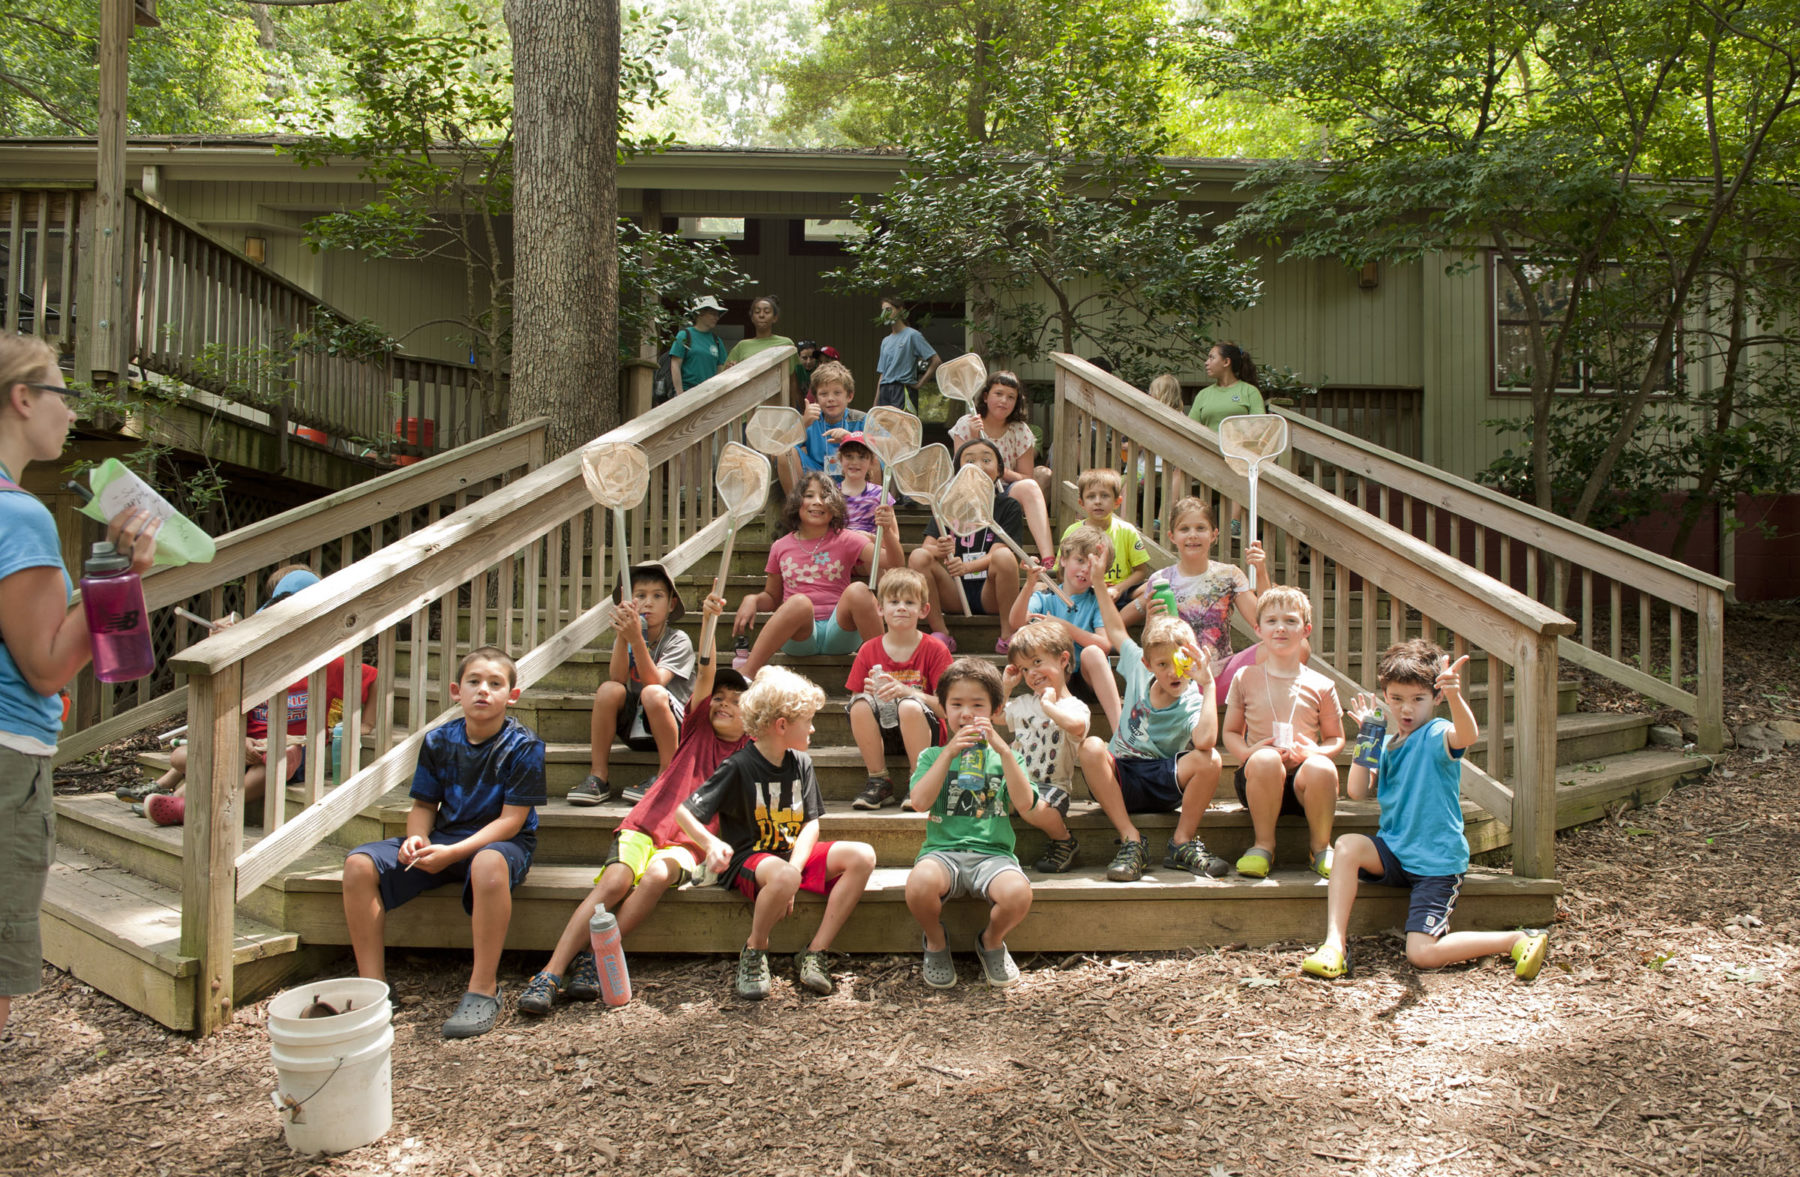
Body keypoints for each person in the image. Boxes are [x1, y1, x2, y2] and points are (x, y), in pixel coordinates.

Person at [0, 335, 158, 1035]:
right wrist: (120, 571)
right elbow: (44, 665)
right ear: (22, 397)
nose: (70, 413)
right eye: (61, 394)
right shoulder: (20, 515)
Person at [517, 595, 748, 1016]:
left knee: (658, 874)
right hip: (646, 821)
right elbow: (706, 670)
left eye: (737, 700)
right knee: (614, 882)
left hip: (693, 841)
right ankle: (551, 970)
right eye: (719, 697)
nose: (724, 703)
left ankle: (597, 955)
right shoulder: (696, 727)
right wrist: (711, 622)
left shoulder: (750, 752)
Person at [1301, 640, 1550, 982]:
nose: (1406, 709)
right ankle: (1334, 943)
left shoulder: (1436, 733)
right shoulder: (1387, 745)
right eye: (1397, 699)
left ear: (1435, 698)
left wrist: (1455, 696)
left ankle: (1517, 940)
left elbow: (1467, 734)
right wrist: (1369, 736)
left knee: (1422, 954)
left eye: (1418, 699)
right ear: (1385, 696)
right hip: (1396, 852)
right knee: (1346, 845)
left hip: (1436, 865)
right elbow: (1357, 791)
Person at [342, 646, 547, 1038]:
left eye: (494, 683)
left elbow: (511, 821)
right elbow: (423, 805)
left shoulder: (524, 746)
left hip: (503, 846)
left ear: (512, 695)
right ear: (457, 690)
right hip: (444, 839)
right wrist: (418, 838)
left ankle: (484, 987)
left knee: (487, 864)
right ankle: (374, 989)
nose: (482, 691)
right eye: (473, 682)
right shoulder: (438, 741)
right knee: (358, 864)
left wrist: (454, 852)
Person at [677, 666, 877, 1000]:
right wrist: (710, 843)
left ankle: (814, 952)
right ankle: (755, 949)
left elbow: (811, 823)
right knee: (784, 877)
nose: (813, 728)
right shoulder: (738, 766)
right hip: (751, 859)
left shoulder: (801, 762)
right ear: (782, 725)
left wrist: (794, 874)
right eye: (808, 720)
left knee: (863, 856)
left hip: (790, 860)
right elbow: (684, 812)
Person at [133, 567, 381, 826]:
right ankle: (176, 801)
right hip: (249, 745)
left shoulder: (327, 666)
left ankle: (201, 810)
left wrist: (367, 724)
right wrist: (241, 742)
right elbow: (229, 711)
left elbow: (372, 677)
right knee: (180, 756)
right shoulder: (253, 668)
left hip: (293, 750)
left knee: (281, 758)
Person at [1076, 552, 1225, 883]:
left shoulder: (1190, 696)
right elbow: (1115, 629)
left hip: (1163, 780)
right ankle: (1131, 840)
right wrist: (1099, 582)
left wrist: (1208, 685)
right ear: (1147, 665)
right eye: (1162, 665)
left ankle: (1182, 842)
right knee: (1090, 747)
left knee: (1210, 758)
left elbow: (1204, 742)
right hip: (1123, 775)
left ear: (1194, 659)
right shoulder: (1136, 667)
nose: (1173, 672)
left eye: (1181, 662)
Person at [904, 658, 1034, 989]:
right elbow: (919, 802)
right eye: (957, 704)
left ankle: (991, 941)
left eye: (977, 705)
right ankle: (935, 941)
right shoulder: (932, 757)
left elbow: (1025, 803)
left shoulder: (1008, 757)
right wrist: (947, 754)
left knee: (1019, 893)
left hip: (993, 855)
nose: (966, 713)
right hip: (942, 852)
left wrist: (1004, 752)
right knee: (919, 885)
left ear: (995, 709)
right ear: (943, 710)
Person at [1220, 586, 1344, 879]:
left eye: (1290, 621)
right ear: (1258, 628)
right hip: (1258, 780)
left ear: (1306, 629)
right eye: (1272, 621)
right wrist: (1248, 754)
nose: (1280, 628)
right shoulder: (1245, 677)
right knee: (1264, 760)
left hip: (1306, 786)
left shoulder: (1321, 685)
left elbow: (1336, 739)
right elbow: (1231, 732)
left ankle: (1321, 847)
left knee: (1322, 767)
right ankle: (1263, 845)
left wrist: (1313, 752)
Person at [732, 471, 900, 677]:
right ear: (797, 502)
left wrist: (888, 531)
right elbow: (772, 598)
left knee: (859, 590)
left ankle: (884, 674)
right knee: (798, 602)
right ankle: (747, 675)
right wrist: (753, 600)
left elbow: (894, 563)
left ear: (835, 506)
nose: (818, 502)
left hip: (840, 632)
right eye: (810, 495)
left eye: (825, 496)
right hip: (799, 636)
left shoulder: (847, 538)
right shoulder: (780, 546)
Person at [1121, 496, 1281, 697]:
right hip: (1178, 675)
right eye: (1184, 529)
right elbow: (1150, 646)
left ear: (1214, 534)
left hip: (1221, 673)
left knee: (1291, 645)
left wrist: (1260, 572)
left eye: (1201, 528)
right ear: (1172, 536)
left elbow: (1265, 624)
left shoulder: (1229, 575)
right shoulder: (1160, 580)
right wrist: (1152, 621)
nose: (1193, 535)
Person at [569, 563, 695, 806]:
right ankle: (599, 777)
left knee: (653, 693)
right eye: (640, 596)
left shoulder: (679, 640)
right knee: (608, 689)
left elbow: (655, 682)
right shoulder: (629, 634)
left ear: (671, 604)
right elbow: (617, 678)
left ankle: (666, 776)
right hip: (636, 728)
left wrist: (636, 638)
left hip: (673, 727)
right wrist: (622, 635)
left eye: (657, 596)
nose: (648, 603)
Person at [844, 569, 950, 811]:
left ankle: (919, 779)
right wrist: (869, 695)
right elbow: (853, 705)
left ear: (924, 610)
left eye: (909, 602)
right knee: (859, 703)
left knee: (909, 705)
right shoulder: (868, 650)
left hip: (925, 731)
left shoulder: (935, 650)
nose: (901, 607)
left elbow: (947, 709)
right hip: (884, 735)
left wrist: (908, 692)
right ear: (880, 608)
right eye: (894, 601)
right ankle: (879, 780)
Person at [909, 439, 1025, 656]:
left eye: (986, 459)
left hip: (990, 593)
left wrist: (967, 567)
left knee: (1005, 556)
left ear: (999, 470)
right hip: (954, 592)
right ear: (957, 472)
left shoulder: (1008, 506)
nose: (977, 465)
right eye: (969, 460)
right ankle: (941, 634)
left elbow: (998, 554)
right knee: (917, 556)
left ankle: (1008, 636)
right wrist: (941, 550)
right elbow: (927, 549)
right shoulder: (946, 505)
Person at [1006, 525, 1123, 732]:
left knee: (1093, 652)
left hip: (1087, 679)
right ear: (1063, 559)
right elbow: (1016, 622)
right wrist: (1029, 585)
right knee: (1027, 638)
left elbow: (1105, 645)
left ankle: (1120, 730)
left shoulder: (1098, 601)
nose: (1085, 568)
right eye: (1080, 560)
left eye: (1093, 564)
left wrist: (1064, 627)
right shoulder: (1045, 597)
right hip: (1055, 677)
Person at [999, 620, 1091, 873]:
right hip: (1016, 782)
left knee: (1033, 807)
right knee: (986, 801)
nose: (1031, 673)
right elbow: (996, 716)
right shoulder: (1023, 702)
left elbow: (1077, 727)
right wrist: (1007, 687)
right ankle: (991, 848)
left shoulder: (1074, 706)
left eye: (1037, 662)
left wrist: (1049, 706)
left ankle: (1064, 840)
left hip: (1052, 789)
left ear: (1063, 659)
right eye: (1024, 669)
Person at [947, 370, 1056, 560]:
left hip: (1005, 494)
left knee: (1030, 486)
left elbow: (1026, 477)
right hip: (971, 493)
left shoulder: (1020, 431)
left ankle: (1048, 559)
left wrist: (999, 471)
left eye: (1011, 397)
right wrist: (974, 438)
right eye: (998, 394)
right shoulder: (966, 424)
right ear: (986, 396)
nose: (1004, 401)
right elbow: (960, 470)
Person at [1063, 467, 1151, 604]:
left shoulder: (1127, 530)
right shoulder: (1072, 532)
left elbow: (1141, 572)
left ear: (1117, 502)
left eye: (1104, 495)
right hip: (1083, 591)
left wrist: (1118, 589)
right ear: (1081, 503)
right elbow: (1061, 571)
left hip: (1119, 592)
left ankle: (1118, 623)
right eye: (1091, 496)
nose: (1098, 501)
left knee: (1153, 587)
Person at [781, 360, 865, 495]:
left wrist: (850, 439)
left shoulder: (860, 419)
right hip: (817, 477)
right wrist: (802, 424)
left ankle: (870, 510)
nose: (830, 399)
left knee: (875, 457)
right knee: (785, 452)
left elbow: (887, 447)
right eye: (824, 394)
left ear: (849, 396)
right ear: (816, 398)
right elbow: (776, 451)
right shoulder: (810, 419)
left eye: (837, 393)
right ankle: (797, 510)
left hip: (854, 475)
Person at [875, 296, 939, 414]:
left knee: (902, 427)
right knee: (884, 428)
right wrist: (875, 404)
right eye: (883, 310)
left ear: (900, 310)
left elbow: (936, 360)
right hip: (885, 390)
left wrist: (920, 384)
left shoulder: (912, 335)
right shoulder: (885, 341)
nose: (885, 313)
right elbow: (883, 374)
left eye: (889, 309)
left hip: (902, 389)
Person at [1186, 341, 1265, 433]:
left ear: (1226, 362)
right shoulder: (1203, 394)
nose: (1206, 363)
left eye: (1212, 358)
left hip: (1240, 446)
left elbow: (1260, 427)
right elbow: (1190, 428)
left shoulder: (1250, 391)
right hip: (1207, 446)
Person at [668, 296, 732, 398]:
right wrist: (679, 395)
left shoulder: (717, 341)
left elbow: (720, 369)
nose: (716, 317)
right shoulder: (684, 335)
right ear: (700, 314)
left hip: (709, 394)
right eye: (712, 314)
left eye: (718, 314)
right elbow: (675, 365)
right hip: (687, 391)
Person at [834, 432, 889, 536]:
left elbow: (894, 537)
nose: (855, 462)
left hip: (869, 548)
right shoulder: (831, 494)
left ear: (872, 461)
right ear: (840, 459)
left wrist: (869, 537)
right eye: (849, 456)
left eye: (862, 457)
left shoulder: (880, 494)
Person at [726, 294, 796, 366]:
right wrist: (730, 368)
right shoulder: (742, 346)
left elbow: (792, 375)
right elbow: (725, 374)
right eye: (757, 312)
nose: (761, 315)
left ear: (775, 318)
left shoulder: (786, 343)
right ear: (752, 318)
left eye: (767, 312)